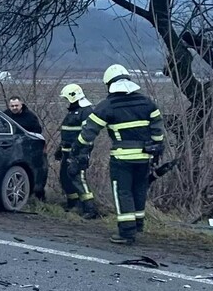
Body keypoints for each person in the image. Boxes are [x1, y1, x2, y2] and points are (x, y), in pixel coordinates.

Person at [69, 64, 165, 244]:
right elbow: (158, 129)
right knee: (139, 190)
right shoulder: (147, 102)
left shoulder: (108, 105)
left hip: (122, 158)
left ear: (109, 84)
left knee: (123, 192)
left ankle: (126, 233)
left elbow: (89, 131)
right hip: (144, 157)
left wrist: (76, 148)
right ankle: (138, 225)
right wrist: (158, 146)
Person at [55, 84, 97, 219]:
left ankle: (90, 209)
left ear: (73, 96)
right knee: (65, 178)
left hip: (79, 153)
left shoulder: (86, 111)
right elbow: (67, 133)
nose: (66, 101)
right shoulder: (73, 111)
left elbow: (88, 135)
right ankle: (73, 204)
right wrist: (60, 148)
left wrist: (82, 155)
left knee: (79, 179)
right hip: (67, 152)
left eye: (67, 98)